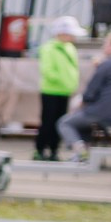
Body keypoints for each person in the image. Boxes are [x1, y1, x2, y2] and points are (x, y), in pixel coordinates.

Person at [34, 17, 84, 160]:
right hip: (50, 91)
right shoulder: (49, 48)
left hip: (65, 91)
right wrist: (63, 81)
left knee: (60, 123)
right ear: (61, 33)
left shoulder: (70, 48)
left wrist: (69, 84)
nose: (73, 37)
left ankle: (54, 150)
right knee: (47, 122)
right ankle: (40, 149)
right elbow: (47, 70)